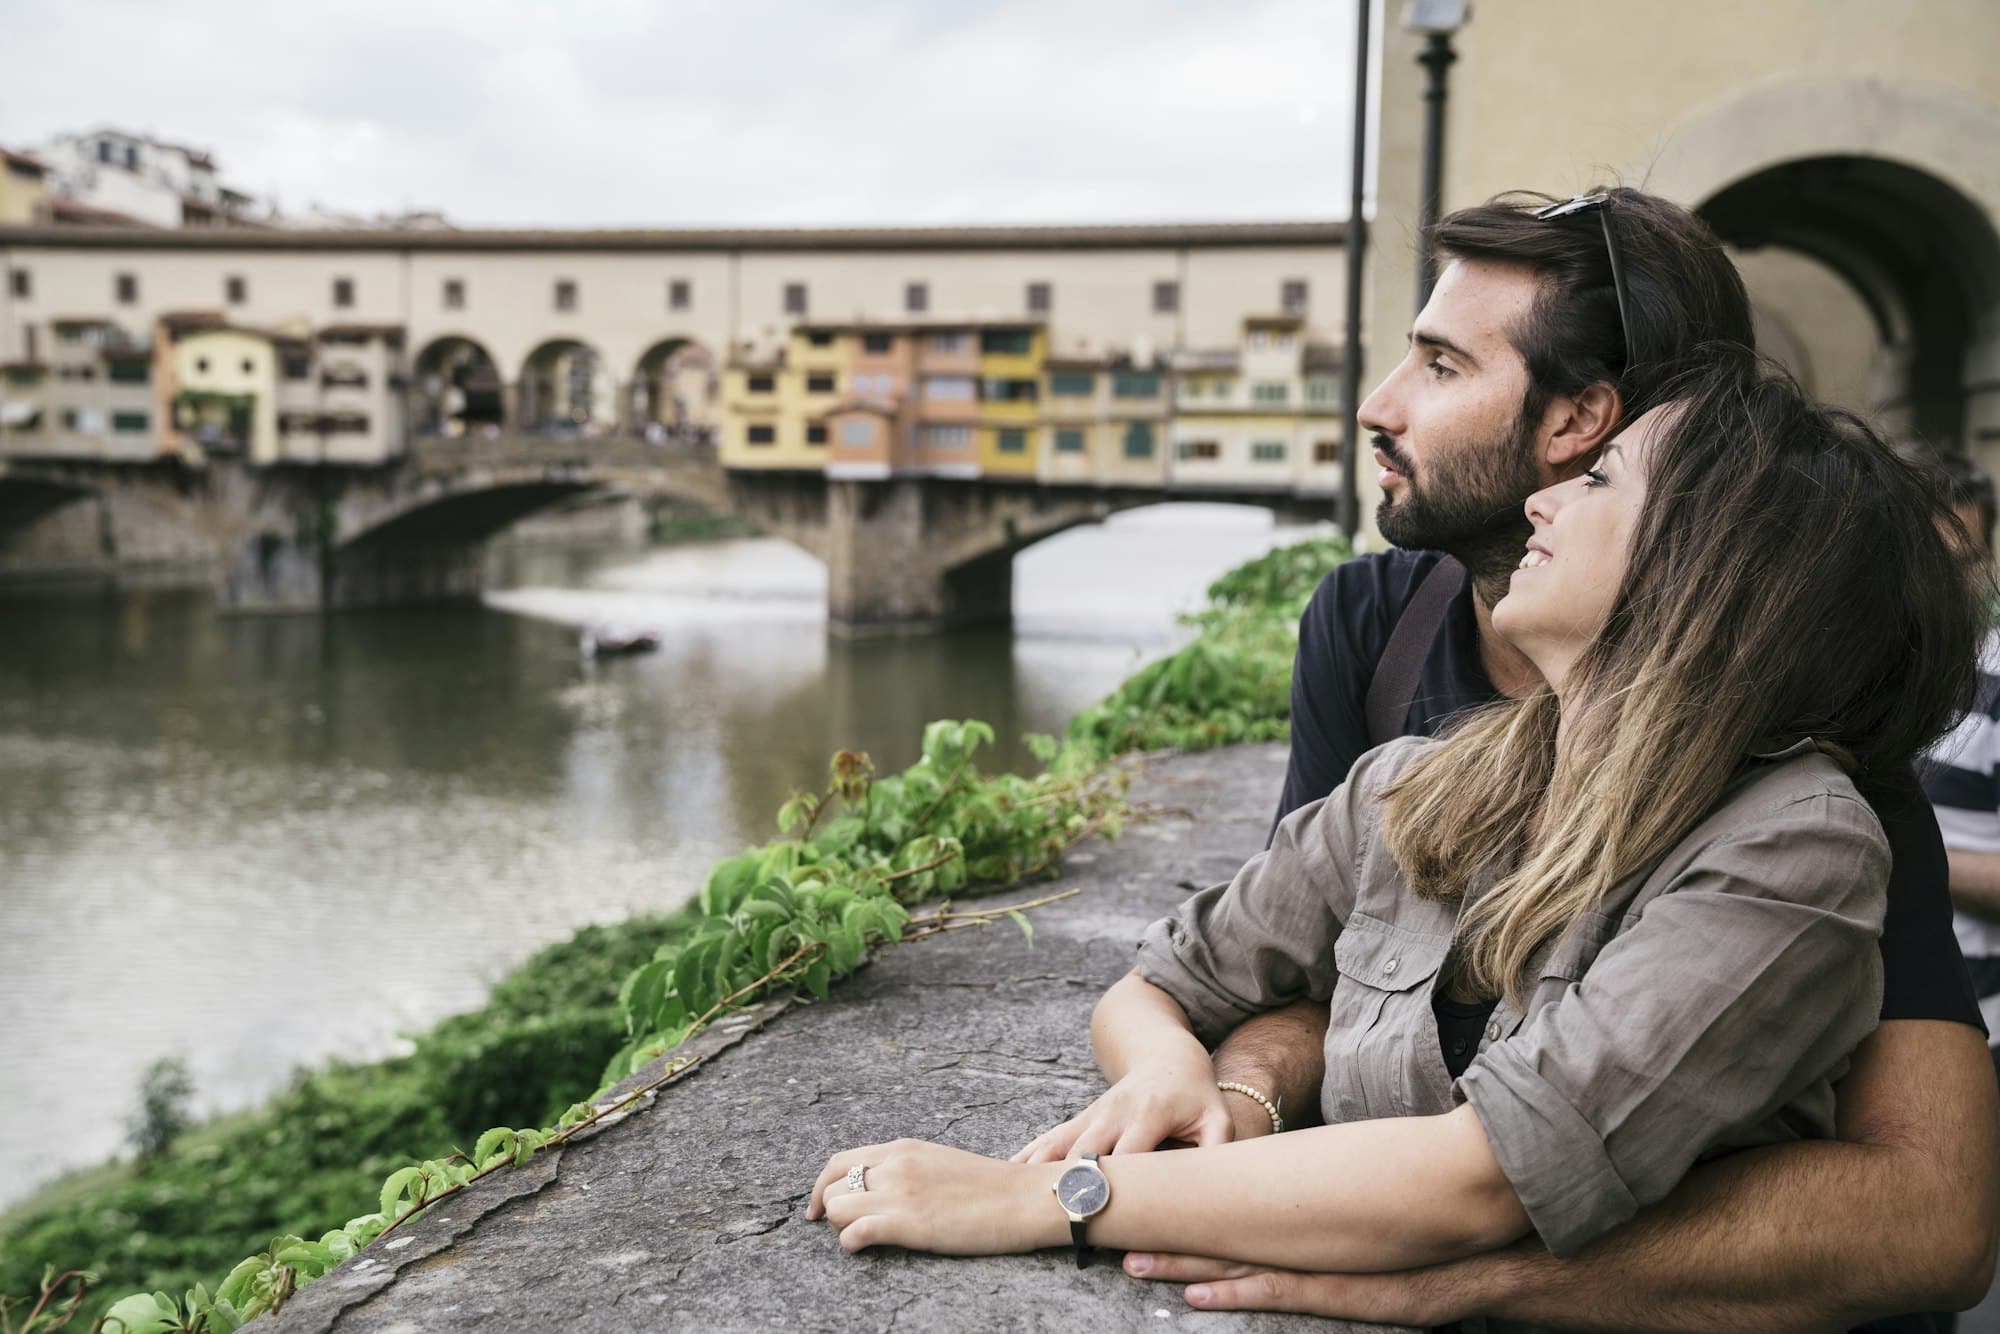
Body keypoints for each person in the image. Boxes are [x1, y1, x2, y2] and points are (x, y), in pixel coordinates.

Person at [806, 356, 1985, 1322]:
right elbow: (1162, 978)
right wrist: (1170, 1067)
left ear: (1710, 570)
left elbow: (1482, 1175)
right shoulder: (1421, 780)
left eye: (1599, 480)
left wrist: (1045, 1198)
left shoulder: (1793, 844)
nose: (1540, 497)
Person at [1924, 453, 2000, 1075]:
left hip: (1981, 1038)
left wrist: (1901, 854)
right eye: (1928, 560)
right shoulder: (1855, 665)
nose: (1946, 583)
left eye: (1965, 562)